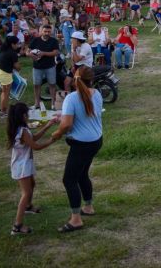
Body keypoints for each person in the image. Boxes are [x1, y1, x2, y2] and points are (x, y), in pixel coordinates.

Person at [51, 66, 105, 233]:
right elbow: (84, 115)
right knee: (82, 174)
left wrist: (57, 132)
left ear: (75, 79)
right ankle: (88, 207)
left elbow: (67, 125)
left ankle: (76, 219)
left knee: (69, 180)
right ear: (92, 79)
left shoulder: (71, 98)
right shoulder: (97, 93)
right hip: (96, 140)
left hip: (81, 144)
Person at [7, 102, 59, 235]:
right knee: (25, 193)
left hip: (24, 164)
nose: (29, 115)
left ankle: (28, 207)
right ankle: (17, 226)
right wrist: (52, 140)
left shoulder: (20, 128)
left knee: (32, 184)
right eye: (27, 113)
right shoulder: (22, 131)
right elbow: (35, 146)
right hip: (22, 166)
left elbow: (33, 138)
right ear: (23, 115)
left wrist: (48, 125)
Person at [29, 24, 60, 109]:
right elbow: (28, 51)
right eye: (45, 31)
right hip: (37, 67)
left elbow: (56, 52)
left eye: (49, 32)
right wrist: (31, 55)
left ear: (51, 32)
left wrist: (43, 53)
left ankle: (53, 104)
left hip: (50, 66)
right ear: (41, 31)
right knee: (36, 85)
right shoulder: (36, 40)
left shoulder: (54, 41)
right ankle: (37, 103)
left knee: (52, 84)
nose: (47, 33)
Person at [0, 36, 21, 116]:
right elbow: (17, 67)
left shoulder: (2, 49)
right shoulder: (13, 53)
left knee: (3, 92)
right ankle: (4, 111)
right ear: (12, 44)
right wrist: (19, 65)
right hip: (5, 74)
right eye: (17, 44)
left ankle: (1, 109)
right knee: (6, 93)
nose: (18, 45)